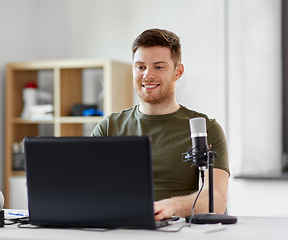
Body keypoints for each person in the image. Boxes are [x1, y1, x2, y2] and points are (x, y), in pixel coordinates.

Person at [91, 28, 229, 221]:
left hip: (179, 230)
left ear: (177, 72)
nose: (147, 75)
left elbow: (216, 199)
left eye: (158, 67)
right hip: (122, 229)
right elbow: (88, 189)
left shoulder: (205, 129)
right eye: (140, 67)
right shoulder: (108, 128)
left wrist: (170, 206)